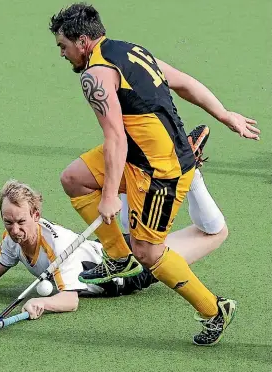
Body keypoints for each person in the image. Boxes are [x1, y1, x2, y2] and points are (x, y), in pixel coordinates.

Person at [49, 3, 260, 345]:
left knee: (148, 252)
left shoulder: (95, 76)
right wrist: (225, 115)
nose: (62, 53)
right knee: (74, 178)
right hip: (139, 154)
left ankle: (214, 310)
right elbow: (185, 83)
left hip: (161, 171)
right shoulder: (132, 51)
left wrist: (107, 199)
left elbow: (115, 137)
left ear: (83, 40)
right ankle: (118, 257)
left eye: (63, 46)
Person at [0, 168, 227, 320]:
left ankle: (192, 174)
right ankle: (161, 176)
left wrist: (43, 302)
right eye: (8, 222)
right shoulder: (12, 239)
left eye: (21, 222)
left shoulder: (57, 246)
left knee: (215, 233)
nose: (15, 230)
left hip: (130, 272)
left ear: (36, 214)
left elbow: (70, 300)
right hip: (112, 248)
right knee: (141, 228)